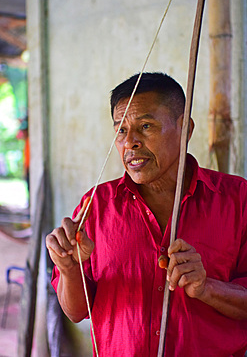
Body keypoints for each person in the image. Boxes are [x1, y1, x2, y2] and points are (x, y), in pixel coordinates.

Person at [46, 72, 247, 357]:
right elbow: (76, 311)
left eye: (146, 126)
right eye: (121, 130)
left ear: (185, 129)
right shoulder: (97, 205)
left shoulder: (237, 199)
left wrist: (206, 288)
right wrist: (67, 267)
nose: (130, 143)